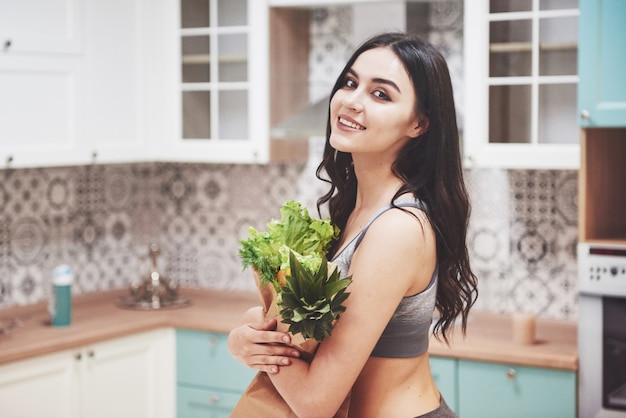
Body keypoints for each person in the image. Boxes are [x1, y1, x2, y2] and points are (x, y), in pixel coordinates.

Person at [228, 32, 478, 418]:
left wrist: (260, 339)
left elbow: (315, 402)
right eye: (350, 82)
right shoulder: (359, 211)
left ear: (419, 124)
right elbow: (321, 339)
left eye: (381, 94)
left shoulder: (397, 228)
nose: (351, 101)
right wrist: (247, 338)